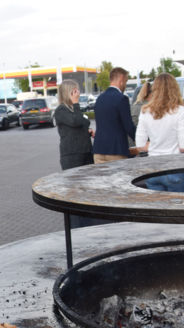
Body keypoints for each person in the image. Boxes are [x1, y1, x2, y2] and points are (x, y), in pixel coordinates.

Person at [135, 73, 184, 192]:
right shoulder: (180, 110)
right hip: (174, 167)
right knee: (180, 209)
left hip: (152, 169)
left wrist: (156, 146)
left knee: (158, 209)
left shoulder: (145, 111)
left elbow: (140, 145)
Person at [55, 80, 95, 227]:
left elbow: (81, 124)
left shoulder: (73, 108)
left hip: (85, 153)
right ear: (68, 92)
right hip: (72, 156)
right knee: (74, 194)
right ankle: (75, 227)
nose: (78, 93)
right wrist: (76, 103)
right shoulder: (61, 110)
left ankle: (88, 224)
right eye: (75, 91)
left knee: (86, 191)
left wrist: (88, 131)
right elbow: (75, 122)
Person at [92, 67, 137, 164]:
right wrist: (138, 140)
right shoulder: (122, 99)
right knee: (119, 178)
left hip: (99, 149)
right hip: (116, 150)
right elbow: (128, 126)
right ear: (121, 79)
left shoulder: (99, 99)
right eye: (125, 81)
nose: (125, 85)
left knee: (102, 179)